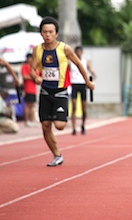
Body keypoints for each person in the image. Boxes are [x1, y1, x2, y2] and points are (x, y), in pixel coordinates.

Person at [30, 17, 95, 167]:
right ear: (41, 33)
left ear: (56, 34)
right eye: (45, 32)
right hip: (45, 92)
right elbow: (32, 70)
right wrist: (36, 77)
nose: (47, 35)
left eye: (50, 32)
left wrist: (87, 81)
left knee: (59, 125)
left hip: (60, 93)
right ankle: (57, 155)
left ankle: (57, 115)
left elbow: (78, 64)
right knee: (45, 126)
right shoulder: (37, 50)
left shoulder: (65, 49)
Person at [69, 46, 96, 135]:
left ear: (82, 53)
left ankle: (83, 125)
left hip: (83, 84)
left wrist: (93, 74)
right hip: (74, 84)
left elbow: (90, 69)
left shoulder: (85, 62)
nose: (78, 54)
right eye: (77, 52)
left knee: (84, 108)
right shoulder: (71, 63)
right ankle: (73, 128)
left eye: (80, 52)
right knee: (74, 106)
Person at [21, 53, 38, 127]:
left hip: (34, 89)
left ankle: (31, 120)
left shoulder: (34, 67)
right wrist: (33, 77)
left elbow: (37, 75)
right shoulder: (25, 66)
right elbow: (24, 76)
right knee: (28, 105)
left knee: (32, 105)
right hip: (28, 89)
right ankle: (27, 120)